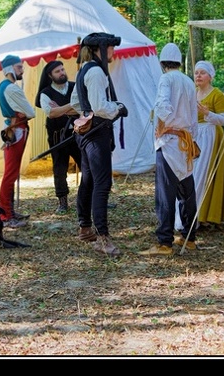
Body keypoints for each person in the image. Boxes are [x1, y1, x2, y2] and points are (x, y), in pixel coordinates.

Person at [70, 32, 127, 257]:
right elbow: (100, 106)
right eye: (110, 48)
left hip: (88, 133)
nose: (113, 52)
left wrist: (84, 116)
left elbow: (76, 102)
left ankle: (85, 228)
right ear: (100, 50)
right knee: (101, 184)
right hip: (95, 135)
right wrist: (118, 108)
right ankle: (102, 238)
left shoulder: (85, 69)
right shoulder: (94, 71)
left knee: (89, 180)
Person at [139, 43, 199, 256]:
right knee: (186, 193)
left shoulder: (166, 79)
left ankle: (165, 242)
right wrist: (191, 137)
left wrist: (166, 125)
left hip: (170, 143)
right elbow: (193, 116)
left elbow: (163, 106)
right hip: (185, 143)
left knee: (166, 194)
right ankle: (189, 236)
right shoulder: (189, 81)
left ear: (162, 63)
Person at [35, 60, 81, 214]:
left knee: (87, 166)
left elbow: (82, 108)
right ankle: (63, 202)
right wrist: (71, 106)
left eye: (62, 69)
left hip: (78, 133)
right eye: (57, 71)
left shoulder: (76, 87)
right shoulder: (45, 93)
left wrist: (62, 109)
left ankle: (91, 198)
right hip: (57, 136)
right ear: (50, 75)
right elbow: (51, 113)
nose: (62, 73)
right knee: (60, 169)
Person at [0, 54, 36, 228]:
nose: (22, 70)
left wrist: (24, 112)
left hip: (16, 128)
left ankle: (9, 211)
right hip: (16, 130)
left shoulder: (4, 86)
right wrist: (23, 112)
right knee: (10, 174)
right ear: (11, 69)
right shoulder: (11, 88)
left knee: (11, 174)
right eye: (19, 67)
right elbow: (31, 112)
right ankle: (6, 215)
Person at [192, 60, 224, 229]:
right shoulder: (192, 93)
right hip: (195, 137)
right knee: (193, 175)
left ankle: (206, 215)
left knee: (204, 175)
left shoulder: (217, 95)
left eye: (202, 73)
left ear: (210, 76)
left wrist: (207, 113)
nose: (198, 76)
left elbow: (223, 120)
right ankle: (193, 213)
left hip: (211, 137)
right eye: (196, 73)